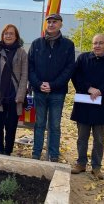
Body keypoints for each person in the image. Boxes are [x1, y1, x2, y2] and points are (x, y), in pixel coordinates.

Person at [70, 34, 104, 179]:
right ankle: (81, 163)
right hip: (84, 103)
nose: (97, 46)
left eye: (100, 43)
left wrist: (101, 91)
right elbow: (76, 77)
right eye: (95, 43)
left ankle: (96, 167)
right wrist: (89, 88)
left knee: (99, 138)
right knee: (82, 137)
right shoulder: (82, 58)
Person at [28, 13, 75, 162]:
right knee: (39, 123)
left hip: (57, 93)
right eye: (49, 22)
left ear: (61, 24)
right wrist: (38, 83)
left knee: (55, 125)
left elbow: (69, 68)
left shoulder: (68, 45)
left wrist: (53, 85)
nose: (51, 24)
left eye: (55, 22)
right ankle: (36, 153)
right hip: (39, 91)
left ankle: (53, 155)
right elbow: (30, 67)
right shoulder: (36, 44)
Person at [0, 24, 28, 155]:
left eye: (11, 33)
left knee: (11, 127)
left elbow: (24, 75)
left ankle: (7, 152)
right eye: (6, 33)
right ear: (2, 35)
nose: (8, 36)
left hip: (14, 95)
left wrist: (20, 96)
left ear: (16, 37)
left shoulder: (21, 52)